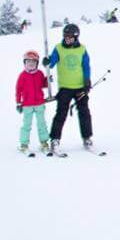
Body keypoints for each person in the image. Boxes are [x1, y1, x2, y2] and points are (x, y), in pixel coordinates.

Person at [45, 22, 93, 154]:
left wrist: (87, 81)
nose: (68, 39)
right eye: (66, 37)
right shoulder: (59, 48)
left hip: (80, 87)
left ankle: (87, 137)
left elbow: (86, 66)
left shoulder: (82, 49)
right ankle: (54, 139)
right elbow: (53, 62)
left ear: (76, 37)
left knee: (84, 113)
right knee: (61, 114)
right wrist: (48, 61)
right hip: (65, 87)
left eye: (71, 37)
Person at [15, 48, 51, 156]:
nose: (31, 64)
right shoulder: (22, 76)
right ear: (25, 63)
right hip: (27, 105)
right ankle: (24, 144)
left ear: (37, 63)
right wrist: (18, 102)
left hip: (39, 103)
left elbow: (43, 85)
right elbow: (18, 90)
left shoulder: (39, 73)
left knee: (42, 124)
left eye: (33, 62)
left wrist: (47, 80)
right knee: (27, 125)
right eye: (28, 61)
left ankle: (44, 142)